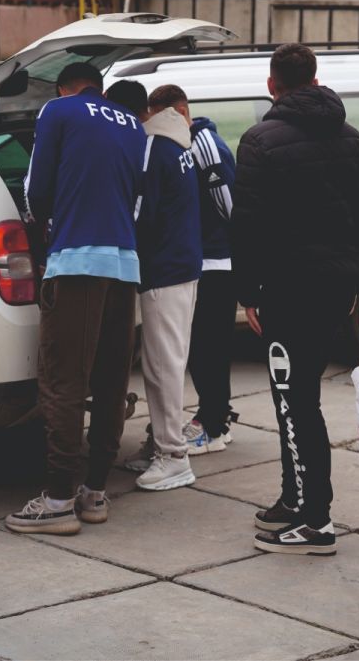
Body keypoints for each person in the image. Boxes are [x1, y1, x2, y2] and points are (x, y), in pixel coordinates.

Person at [232, 43, 359, 555]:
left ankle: (316, 520)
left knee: (295, 402)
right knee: (298, 398)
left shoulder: (259, 140)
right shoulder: (351, 136)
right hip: (335, 288)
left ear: (272, 85)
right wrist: (358, 282)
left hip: (288, 291)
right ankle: (295, 497)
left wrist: (248, 293)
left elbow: (246, 224)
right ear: (315, 80)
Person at [6, 62, 146, 535]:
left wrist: (45, 228)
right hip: (124, 267)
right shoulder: (132, 125)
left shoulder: (59, 111)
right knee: (110, 383)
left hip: (76, 263)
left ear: (64, 88)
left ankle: (58, 498)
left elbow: (36, 189)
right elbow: (137, 197)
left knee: (63, 383)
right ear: (101, 90)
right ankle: (95, 491)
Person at [111, 81, 203, 492]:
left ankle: (173, 456)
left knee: (162, 366)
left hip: (163, 269)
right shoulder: (179, 142)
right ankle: (161, 446)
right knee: (168, 362)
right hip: (183, 264)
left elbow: (140, 214)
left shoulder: (153, 146)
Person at [145, 85, 243, 455]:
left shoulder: (202, 144)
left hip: (216, 262)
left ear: (181, 111)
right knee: (203, 348)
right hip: (203, 260)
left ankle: (214, 426)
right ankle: (215, 416)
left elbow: (229, 203)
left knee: (208, 349)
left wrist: (232, 249)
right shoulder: (184, 143)